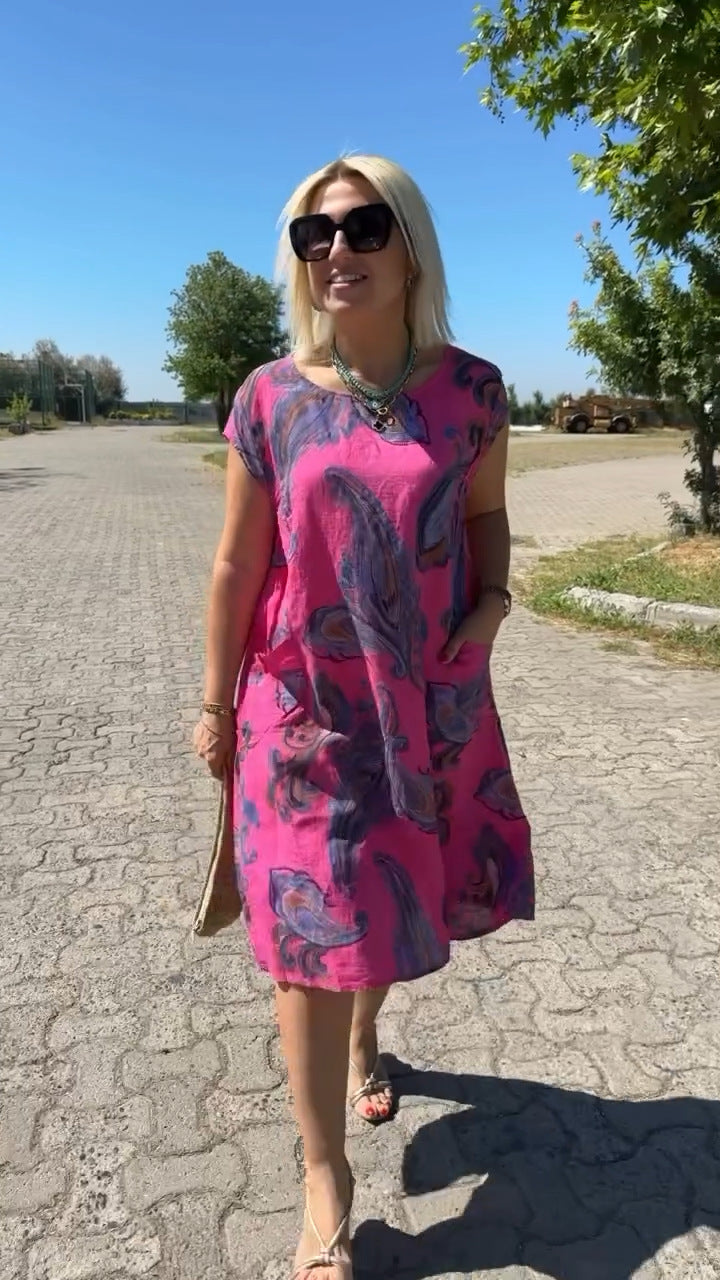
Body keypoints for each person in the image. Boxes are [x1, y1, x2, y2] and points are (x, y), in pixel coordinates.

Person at [193, 154, 534, 1280]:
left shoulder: (475, 392)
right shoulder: (269, 396)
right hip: (298, 712)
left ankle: (367, 1031)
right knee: (307, 938)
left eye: (363, 226)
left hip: (422, 704)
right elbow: (237, 562)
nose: (336, 249)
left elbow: (486, 519)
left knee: (378, 904)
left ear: (410, 246)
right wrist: (213, 701)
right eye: (314, 234)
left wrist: (490, 608)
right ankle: (324, 1176)